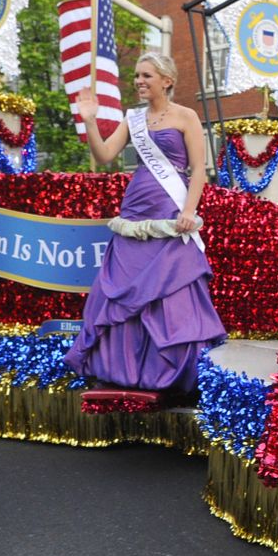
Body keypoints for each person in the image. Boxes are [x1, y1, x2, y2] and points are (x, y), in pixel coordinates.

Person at [64, 52, 225, 393]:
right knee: (123, 287)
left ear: (167, 80)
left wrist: (189, 211)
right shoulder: (133, 119)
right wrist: (90, 121)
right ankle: (121, 368)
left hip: (170, 208)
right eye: (137, 76)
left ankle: (169, 370)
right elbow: (105, 156)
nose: (138, 81)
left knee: (169, 286)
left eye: (146, 76)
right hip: (135, 208)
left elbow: (199, 169)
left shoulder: (186, 116)